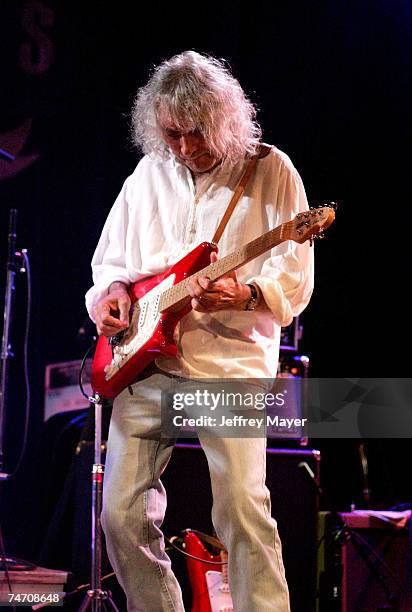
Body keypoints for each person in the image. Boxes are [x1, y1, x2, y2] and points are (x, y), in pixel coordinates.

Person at [85, 50, 314, 612]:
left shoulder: (271, 170)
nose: (185, 147)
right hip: (147, 364)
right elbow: (110, 262)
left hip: (226, 367)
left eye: (197, 134)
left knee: (239, 507)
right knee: (119, 514)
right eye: (172, 134)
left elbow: (295, 275)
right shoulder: (147, 174)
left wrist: (246, 293)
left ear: (227, 122)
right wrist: (112, 294)